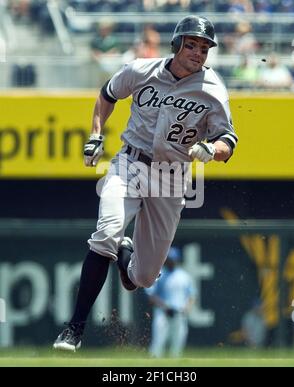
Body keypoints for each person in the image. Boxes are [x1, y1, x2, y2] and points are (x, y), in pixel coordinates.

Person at [53, 14, 238, 351]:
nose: (198, 53)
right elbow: (108, 94)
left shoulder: (212, 88)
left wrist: (212, 149)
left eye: (204, 48)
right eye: (192, 44)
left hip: (172, 176)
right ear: (177, 43)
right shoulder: (142, 70)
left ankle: (127, 256)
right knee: (106, 233)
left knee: (144, 278)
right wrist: (96, 134)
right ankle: (74, 328)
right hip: (130, 162)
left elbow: (229, 140)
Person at [145, 246, 196, 357]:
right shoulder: (158, 274)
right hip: (162, 313)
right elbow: (151, 295)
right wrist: (165, 307)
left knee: (177, 345)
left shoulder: (184, 276)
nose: (171, 261)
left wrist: (187, 308)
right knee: (158, 342)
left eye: (173, 259)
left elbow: (191, 295)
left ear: (177, 259)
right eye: (168, 259)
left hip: (179, 313)